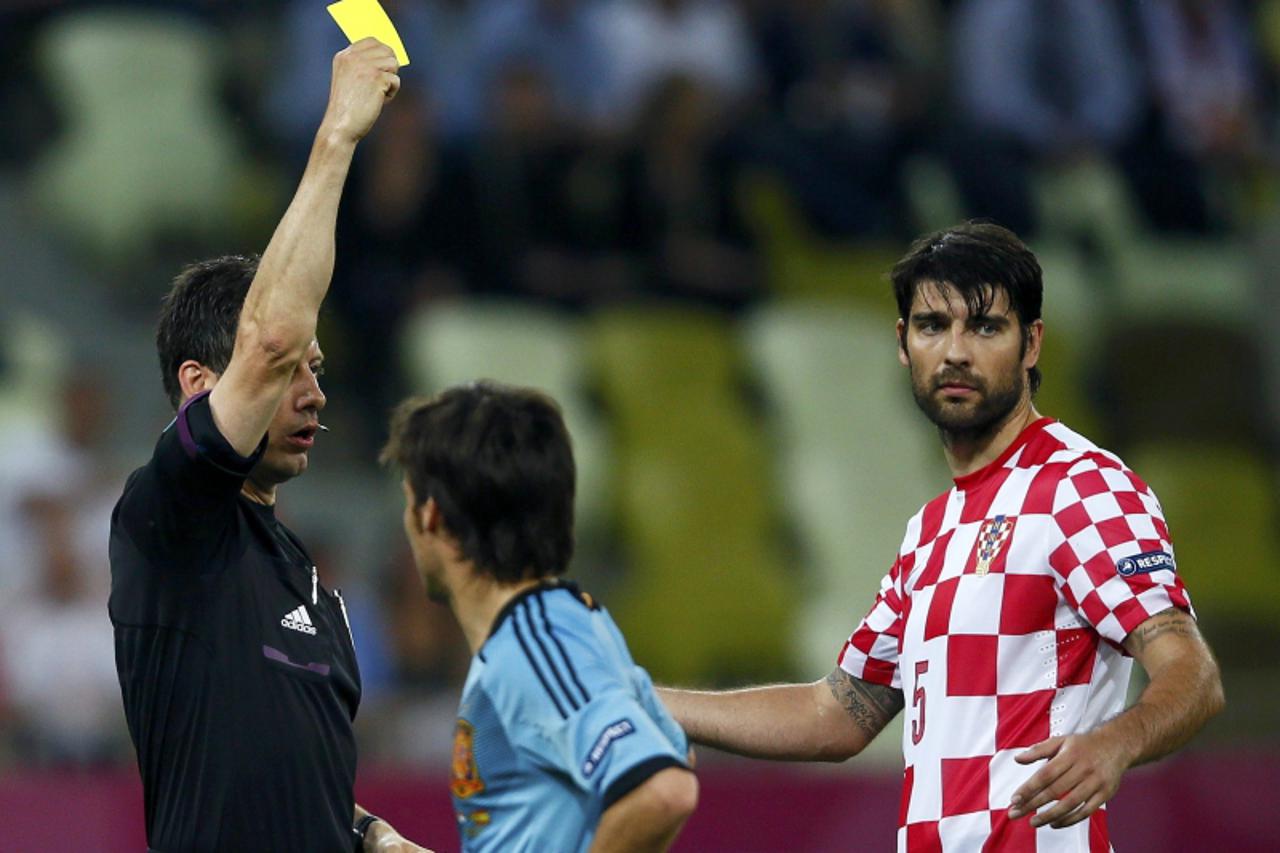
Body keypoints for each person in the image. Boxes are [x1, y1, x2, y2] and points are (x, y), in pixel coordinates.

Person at [657, 222, 1225, 851]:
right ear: (903, 344)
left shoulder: (1081, 488)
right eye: (932, 326)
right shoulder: (930, 530)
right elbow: (839, 714)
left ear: (1032, 344)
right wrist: (650, 701)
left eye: (985, 327)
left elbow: (1192, 671)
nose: (955, 351)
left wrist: (1116, 742)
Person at [108, 39, 428, 853]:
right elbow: (273, 333)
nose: (315, 392)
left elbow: (284, 777)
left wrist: (372, 836)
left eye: (319, 371)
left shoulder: (308, 579)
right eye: (292, 372)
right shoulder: (169, 517)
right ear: (196, 383)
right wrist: (339, 137)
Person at [380, 382, 698, 851]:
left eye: (408, 503)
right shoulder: (564, 624)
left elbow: (662, 790)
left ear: (431, 516)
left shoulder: (534, 645)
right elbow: (675, 751)